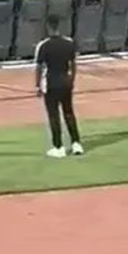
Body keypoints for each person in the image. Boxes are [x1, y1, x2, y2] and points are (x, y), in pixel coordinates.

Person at [34, 15, 84, 158]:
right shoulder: (69, 43)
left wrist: (37, 86)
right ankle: (76, 143)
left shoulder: (43, 46)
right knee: (69, 113)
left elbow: (39, 67)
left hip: (51, 84)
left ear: (48, 27)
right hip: (66, 82)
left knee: (54, 115)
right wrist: (72, 80)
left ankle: (58, 147)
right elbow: (73, 64)